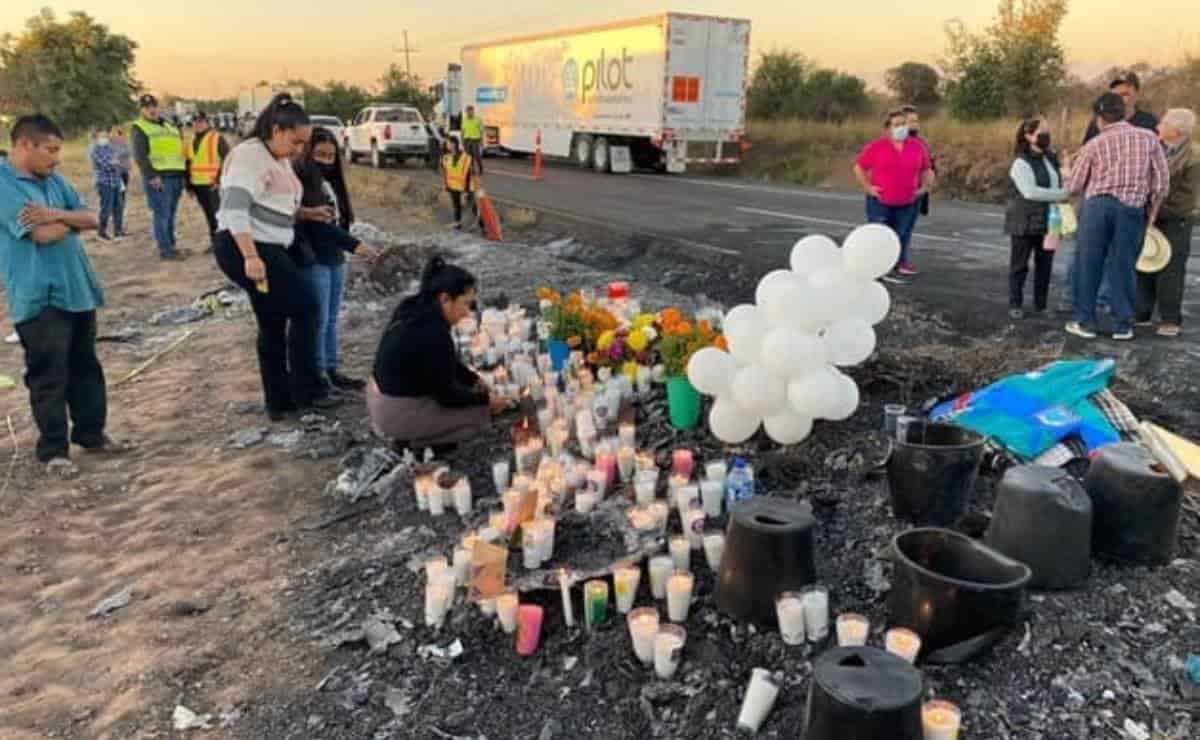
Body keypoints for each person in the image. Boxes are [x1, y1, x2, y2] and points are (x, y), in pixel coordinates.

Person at [0, 115, 130, 478]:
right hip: (38, 295)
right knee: (48, 375)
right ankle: (54, 451)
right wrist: (68, 223)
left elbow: (91, 219)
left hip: (77, 288)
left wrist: (57, 214)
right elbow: (40, 236)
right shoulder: (4, 184)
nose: (57, 158)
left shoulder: (53, 180)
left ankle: (92, 434)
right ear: (25, 145)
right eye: (51, 150)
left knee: (86, 367)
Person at [214, 93, 338, 421]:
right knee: (306, 306)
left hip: (268, 245)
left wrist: (307, 213)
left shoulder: (276, 158)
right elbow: (235, 209)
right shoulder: (249, 157)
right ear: (277, 129)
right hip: (248, 246)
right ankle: (305, 390)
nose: (300, 150)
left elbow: (272, 203)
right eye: (296, 141)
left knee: (272, 322)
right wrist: (251, 257)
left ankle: (281, 402)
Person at [368, 257, 507, 451]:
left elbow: (442, 363)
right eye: (465, 304)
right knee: (479, 419)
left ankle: (416, 433)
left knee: (470, 400)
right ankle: (416, 442)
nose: (467, 313)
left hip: (378, 398)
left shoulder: (413, 306)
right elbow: (447, 396)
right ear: (445, 299)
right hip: (396, 412)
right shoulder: (434, 334)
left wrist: (472, 379)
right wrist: (485, 401)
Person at [1065, 93, 1170, 341]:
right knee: (1124, 265)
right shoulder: (1148, 139)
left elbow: (1075, 186)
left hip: (1097, 207)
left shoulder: (1094, 144)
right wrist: (1151, 212)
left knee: (1088, 263)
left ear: (1100, 118)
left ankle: (1086, 322)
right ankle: (1122, 325)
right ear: (1123, 112)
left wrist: (1067, 174)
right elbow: (1162, 183)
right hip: (1132, 208)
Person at [293, 127, 378, 392]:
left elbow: (339, 220)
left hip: (334, 257)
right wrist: (355, 246)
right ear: (309, 153)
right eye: (320, 155)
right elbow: (319, 225)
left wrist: (346, 247)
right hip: (314, 257)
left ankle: (331, 369)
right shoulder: (304, 181)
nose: (327, 161)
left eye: (331, 156)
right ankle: (318, 376)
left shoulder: (332, 182)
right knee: (318, 320)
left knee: (331, 318)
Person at [1135, 109, 1198, 338]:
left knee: (1170, 269)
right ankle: (1141, 312)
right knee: (1145, 262)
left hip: (1175, 219)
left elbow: (1187, 197)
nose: (1158, 125)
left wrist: (1156, 208)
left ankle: (1170, 319)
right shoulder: (1157, 148)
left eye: (1164, 122)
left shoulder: (1194, 157)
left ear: (1177, 130)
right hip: (1152, 216)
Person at [853, 108, 934, 281]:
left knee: (902, 233)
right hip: (880, 202)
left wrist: (925, 187)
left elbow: (927, 169)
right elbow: (859, 167)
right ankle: (876, 267)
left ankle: (898, 263)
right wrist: (868, 187)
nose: (901, 128)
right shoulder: (877, 147)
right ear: (888, 128)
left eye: (904, 124)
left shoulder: (917, 146)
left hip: (907, 201)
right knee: (880, 236)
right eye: (896, 125)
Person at [1005, 117, 1070, 319]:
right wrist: (1063, 194)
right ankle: (1015, 303)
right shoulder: (1020, 162)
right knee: (1020, 265)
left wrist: (1066, 167)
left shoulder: (1050, 158)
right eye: (1041, 131)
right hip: (1024, 220)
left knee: (1045, 265)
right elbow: (1030, 192)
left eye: (1047, 131)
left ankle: (1041, 305)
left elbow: (1061, 181)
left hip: (1049, 221)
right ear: (1028, 135)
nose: (1046, 135)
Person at [131, 94, 187, 260]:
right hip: (159, 178)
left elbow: (180, 149)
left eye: (154, 106)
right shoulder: (140, 127)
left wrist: (184, 175)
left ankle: (171, 245)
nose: (151, 110)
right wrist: (151, 176)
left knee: (170, 213)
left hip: (176, 176)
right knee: (161, 213)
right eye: (147, 107)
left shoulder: (170, 126)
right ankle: (165, 250)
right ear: (141, 110)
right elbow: (140, 155)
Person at [185, 111, 230, 247]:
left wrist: (219, 180)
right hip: (198, 185)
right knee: (209, 216)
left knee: (218, 216)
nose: (198, 124)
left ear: (206, 122)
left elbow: (227, 159)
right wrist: (189, 185)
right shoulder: (190, 140)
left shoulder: (216, 138)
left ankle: (223, 244)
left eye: (201, 121)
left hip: (213, 185)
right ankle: (215, 243)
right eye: (195, 121)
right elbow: (188, 164)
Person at [1083, 71, 1159, 144]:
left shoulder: (1149, 122)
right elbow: (1085, 151)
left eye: (1124, 94)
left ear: (1137, 95)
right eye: (1115, 95)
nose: (1119, 99)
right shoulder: (1099, 122)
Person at [89, 127, 124, 241]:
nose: (104, 138)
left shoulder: (110, 147)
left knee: (118, 207)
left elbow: (118, 163)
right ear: (96, 137)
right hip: (104, 182)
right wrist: (113, 163)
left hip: (115, 181)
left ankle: (118, 231)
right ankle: (101, 231)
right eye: (101, 136)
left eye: (105, 135)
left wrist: (114, 164)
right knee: (106, 208)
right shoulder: (94, 150)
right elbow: (106, 165)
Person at [902, 105, 935, 219]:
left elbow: (930, 169)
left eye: (916, 121)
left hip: (916, 194)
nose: (915, 124)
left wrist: (924, 193)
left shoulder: (922, 143)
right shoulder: (895, 142)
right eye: (911, 121)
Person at [442, 135, 476, 229]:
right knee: (456, 206)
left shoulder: (466, 157)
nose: (446, 145)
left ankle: (483, 226)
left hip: (466, 187)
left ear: (453, 144)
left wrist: (466, 191)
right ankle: (458, 224)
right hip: (453, 186)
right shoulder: (446, 157)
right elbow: (447, 173)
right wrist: (447, 186)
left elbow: (468, 175)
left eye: (447, 143)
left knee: (473, 207)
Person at [108, 127, 131, 237]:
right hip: (115, 175)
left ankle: (119, 227)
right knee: (117, 201)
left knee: (122, 200)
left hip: (124, 173)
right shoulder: (107, 145)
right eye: (114, 132)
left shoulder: (123, 142)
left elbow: (129, 152)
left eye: (118, 132)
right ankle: (116, 229)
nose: (116, 134)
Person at [461, 105, 484, 175]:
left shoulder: (478, 119)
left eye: (470, 111)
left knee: (477, 156)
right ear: (466, 112)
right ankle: (472, 170)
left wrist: (481, 140)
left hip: (475, 140)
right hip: (466, 140)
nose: (469, 113)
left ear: (473, 111)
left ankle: (480, 168)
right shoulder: (464, 120)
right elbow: (462, 131)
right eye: (467, 112)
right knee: (468, 157)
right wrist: (462, 140)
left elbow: (481, 131)